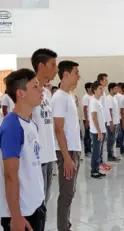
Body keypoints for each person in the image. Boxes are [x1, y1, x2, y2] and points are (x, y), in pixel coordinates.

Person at [0, 69, 45, 231]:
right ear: (21, 93)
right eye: (35, 86)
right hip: (22, 213)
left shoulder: (30, 123)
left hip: (35, 205)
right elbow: (10, 175)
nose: (41, 90)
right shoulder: (12, 125)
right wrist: (16, 216)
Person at [52, 60, 81, 231]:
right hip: (66, 151)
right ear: (66, 74)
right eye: (76, 72)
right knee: (66, 193)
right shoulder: (59, 98)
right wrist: (67, 158)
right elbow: (58, 129)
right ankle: (63, 227)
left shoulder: (68, 96)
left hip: (72, 150)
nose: (79, 76)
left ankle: (66, 224)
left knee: (70, 192)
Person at [31, 48, 58, 208]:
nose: (56, 70)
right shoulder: (28, 92)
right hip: (37, 159)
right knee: (36, 206)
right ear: (41, 66)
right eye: (53, 65)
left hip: (49, 156)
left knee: (44, 204)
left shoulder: (47, 94)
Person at [89, 81, 107, 179]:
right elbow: (94, 118)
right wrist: (99, 132)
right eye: (100, 88)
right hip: (96, 132)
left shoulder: (98, 101)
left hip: (101, 130)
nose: (102, 90)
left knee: (99, 151)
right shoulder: (93, 101)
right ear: (94, 90)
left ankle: (97, 169)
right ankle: (94, 171)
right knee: (96, 152)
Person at [97, 73, 113, 170]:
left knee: (102, 145)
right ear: (101, 81)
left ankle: (102, 162)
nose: (107, 81)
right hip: (101, 122)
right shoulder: (99, 92)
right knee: (100, 145)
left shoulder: (103, 92)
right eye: (105, 80)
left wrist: (109, 120)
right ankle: (99, 163)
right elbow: (100, 109)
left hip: (105, 122)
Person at [106, 83, 121, 162]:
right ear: (111, 89)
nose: (117, 90)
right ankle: (110, 155)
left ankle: (112, 155)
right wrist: (111, 123)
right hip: (112, 123)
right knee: (111, 140)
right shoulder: (108, 98)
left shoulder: (114, 97)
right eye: (115, 88)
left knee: (113, 139)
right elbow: (109, 111)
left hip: (116, 121)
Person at [81, 82, 93, 157]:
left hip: (92, 119)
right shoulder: (86, 97)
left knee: (91, 135)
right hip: (87, 119)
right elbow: (85, 109)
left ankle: (91, 149)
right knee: (87, 135)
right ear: (88, 88)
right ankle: (87, 151)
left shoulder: (93, 96)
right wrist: (87, 120)